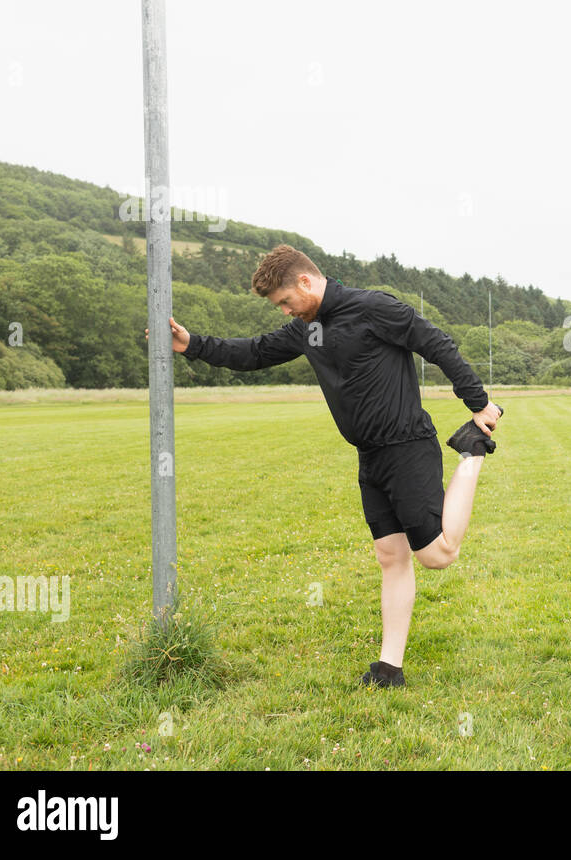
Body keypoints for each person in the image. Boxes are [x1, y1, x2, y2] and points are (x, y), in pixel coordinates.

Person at [147, 244, 501, 688]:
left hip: (407, 444)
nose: (284, 312)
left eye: (284, 302)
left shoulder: (375, 308)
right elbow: (254, 353)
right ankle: (389, 669)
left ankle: (471, 451)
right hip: (369, 455)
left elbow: (436, 344)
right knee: (390, 556)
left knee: (436, 554)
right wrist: (193, 345)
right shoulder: (306, 329)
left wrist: (478, 403)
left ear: (305, 282)